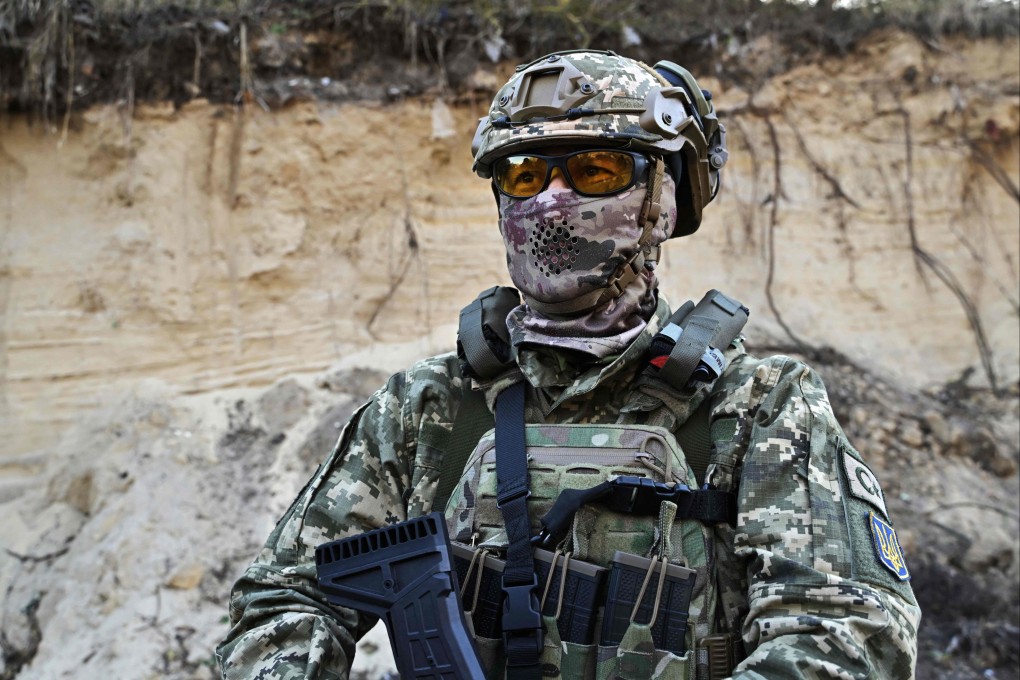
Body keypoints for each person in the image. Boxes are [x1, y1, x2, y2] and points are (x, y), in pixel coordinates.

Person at [216, 51, 920, 679]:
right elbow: (284, 600)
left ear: (664, 200)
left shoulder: (759, 408)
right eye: (523, 175)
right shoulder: (427, 409)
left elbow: (847, 632)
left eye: (595, 169)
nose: (551, 201)